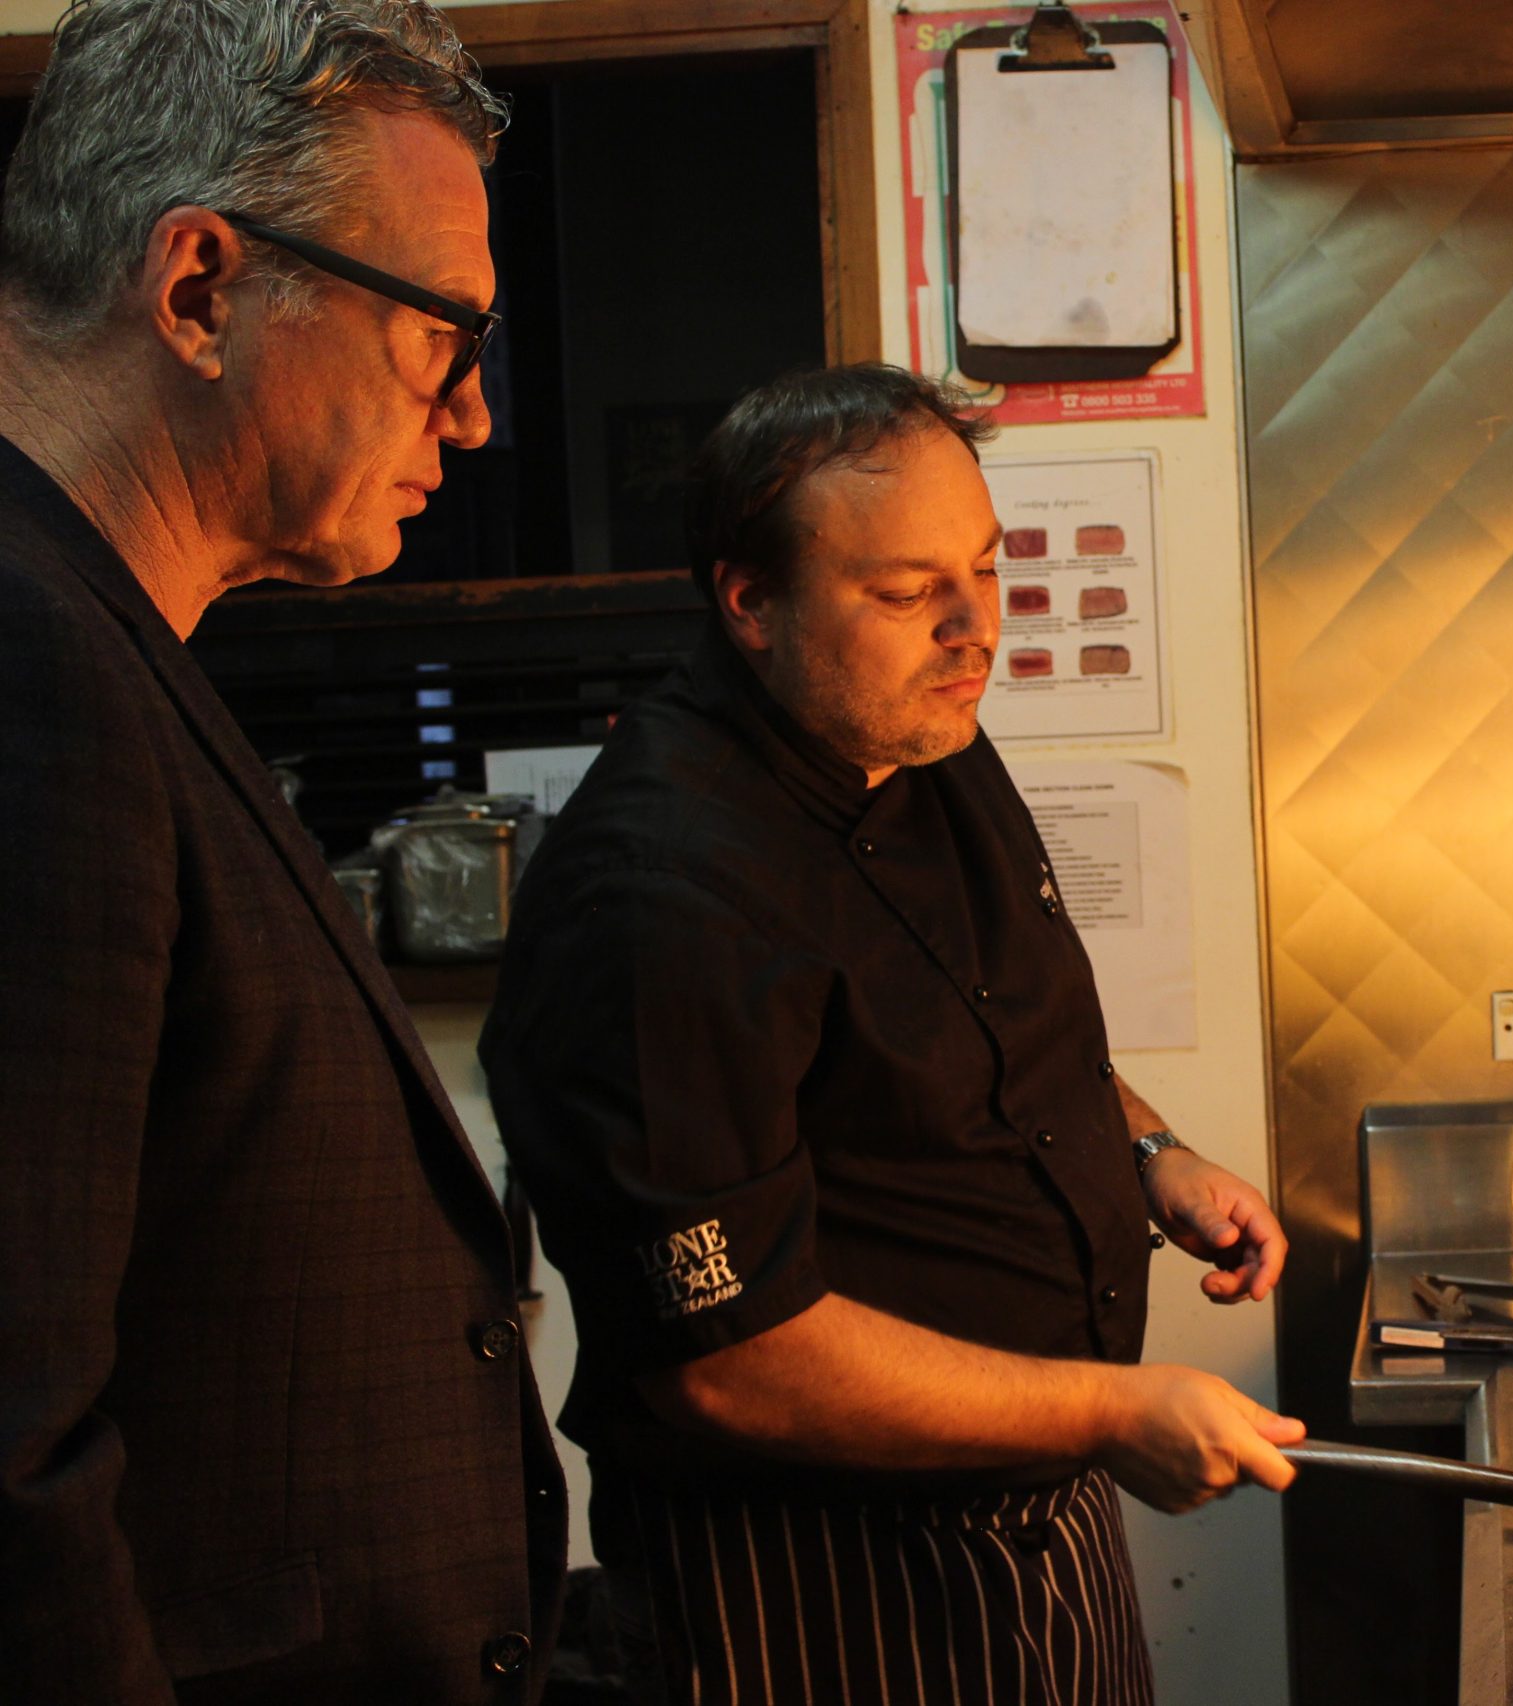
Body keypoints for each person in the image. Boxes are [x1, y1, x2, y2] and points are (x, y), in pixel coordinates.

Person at [479, 363, 1300, 1706]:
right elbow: (732, 1362)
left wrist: (1151, 1152)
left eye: (985, 566)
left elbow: (997, 1049)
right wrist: (1110, 1408)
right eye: (909, 591)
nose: (975, 628)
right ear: (750, 601)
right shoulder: (661, 892)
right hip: (818, 1580)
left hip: (1035, 1516)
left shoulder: (921, 732)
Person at [0, 3, 565, 1700]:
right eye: (442, 338)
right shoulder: (31, 670)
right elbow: (12, 1441)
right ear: (198, 288)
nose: (467, 421)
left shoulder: (106, 642)